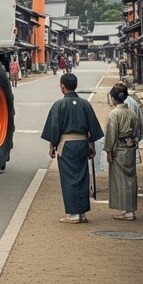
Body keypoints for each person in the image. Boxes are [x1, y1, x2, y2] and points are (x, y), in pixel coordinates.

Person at [41, 72, 105, 224]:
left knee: (69, 178)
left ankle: (73, 215)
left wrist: (52, 146)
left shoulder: (59, 105)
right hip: (82, 144)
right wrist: (91, 146)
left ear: (62, 87)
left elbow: (54, 129)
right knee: (82, 177)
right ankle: (81, 213)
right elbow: (93, 129)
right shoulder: (85, 104)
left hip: (66, 145)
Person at [104, 83, 138, 220]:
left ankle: (128, 211)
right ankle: (130, 209)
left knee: (121, 180)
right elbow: (136, 130)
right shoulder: (132, 112)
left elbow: (111, 134)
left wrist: (108, 151)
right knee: (131, 179)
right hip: (130, 147)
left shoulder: (114, 114)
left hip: (119, 148)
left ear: (113, 98)